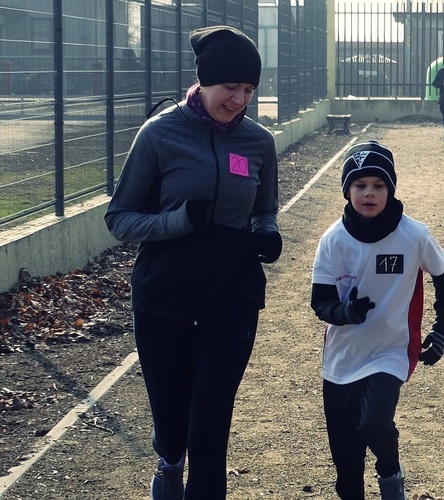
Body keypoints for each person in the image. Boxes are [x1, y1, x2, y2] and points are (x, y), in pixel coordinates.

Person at [104, 26, 281, 499]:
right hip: (165, 296)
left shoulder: (258, 142)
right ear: (203, 81)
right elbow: (119, 219)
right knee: (173, 420)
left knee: (210, 426)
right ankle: (168, 461)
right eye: (231, 88)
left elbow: (264, 206)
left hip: (232, 295)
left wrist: (265, 231)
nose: (240, 100)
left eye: (249, 90)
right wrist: (178, 220)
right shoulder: (159, 135)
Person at [310, 141, 444, 499]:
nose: (369, 193)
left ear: (390, 189)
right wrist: (345, 313)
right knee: (346, 465)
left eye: (379, 185)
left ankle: (391, 475)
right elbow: (321, 302)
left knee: (375, 424)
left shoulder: (414, 235)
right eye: (360, 186)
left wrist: (441, 330)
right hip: (342, 358)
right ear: (347, 190)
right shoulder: (333, 240)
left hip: (391, 351)